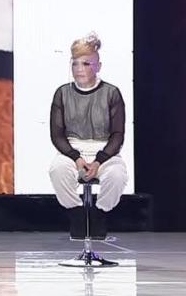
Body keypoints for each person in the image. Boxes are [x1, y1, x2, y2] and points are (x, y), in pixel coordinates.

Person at [48, 33, 128, 238]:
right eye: (75, 64)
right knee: (57, 170)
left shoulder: (111, 93)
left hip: (105, 151)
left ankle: (99, 214)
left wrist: (100, 160)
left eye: (86, 64)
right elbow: (57, 134)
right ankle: (76, 213)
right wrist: (76, 158)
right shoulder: (62, 93)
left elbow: (118, 135)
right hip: (72, 150)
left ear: (98, 66)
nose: (79, 69)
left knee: (117, 175)